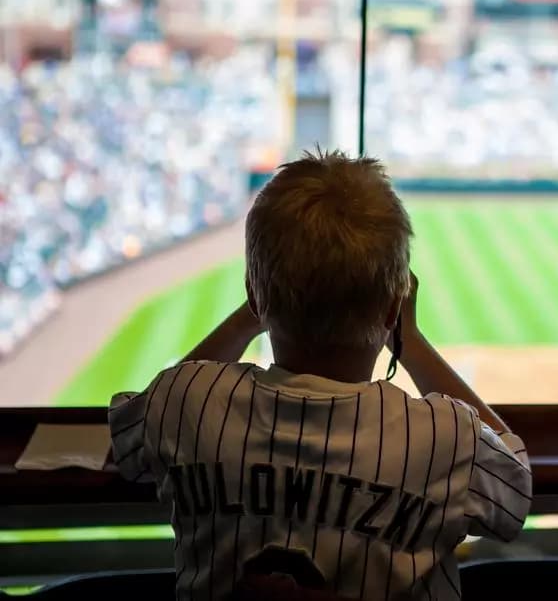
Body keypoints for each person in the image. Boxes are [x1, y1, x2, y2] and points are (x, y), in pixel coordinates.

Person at [108, 150, 532, 600]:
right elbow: (515, 483)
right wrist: (412, 339)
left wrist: (255, 310)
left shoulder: (184, 400)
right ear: (394, 307)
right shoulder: (446, 437)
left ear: (254, 295)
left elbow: (127, 435)